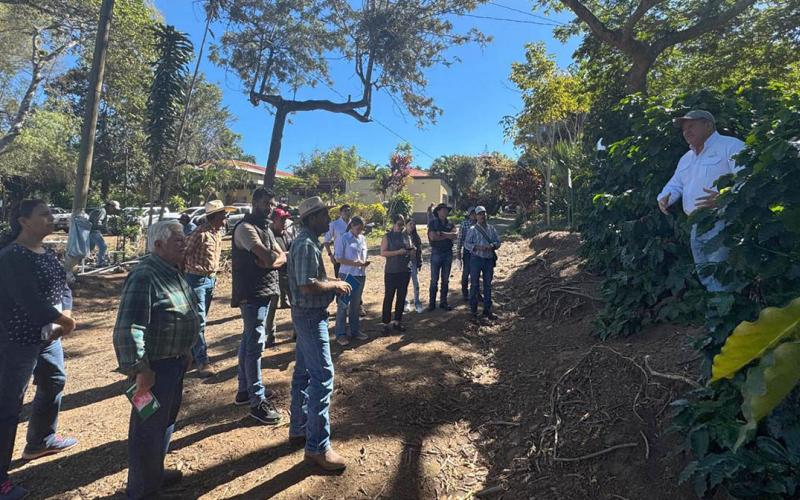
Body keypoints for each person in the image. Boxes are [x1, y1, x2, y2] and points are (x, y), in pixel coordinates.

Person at [112, 220, 200, 500]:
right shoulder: (145, 276)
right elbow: (129, 327)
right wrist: (141, 369)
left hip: (174, 363)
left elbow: (182, 313)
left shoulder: (172, 271)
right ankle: (142, 491)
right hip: (154, 369)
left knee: (165, 422)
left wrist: (186, 350)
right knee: (147, 429)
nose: (184, 244)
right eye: (178, 240)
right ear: (159, 245)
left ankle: (154, 473)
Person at [0, 200, 77, 500]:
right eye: (44, 214)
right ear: (23, 221)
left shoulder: (48, 253)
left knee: (55, 380)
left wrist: (67, 315)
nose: (51, 217)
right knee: (8, 406)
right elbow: (28, 300)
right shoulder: (11, 257)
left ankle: (40, 441)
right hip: (16, 340)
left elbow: (65, 287)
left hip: (48, 336)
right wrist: (64, 321)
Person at [288, 196, 352, 471]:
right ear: (311, 218)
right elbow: (306, 285)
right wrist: (335, 285)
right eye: (324, 215)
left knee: (303, 374)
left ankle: (300, 428)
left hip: (309, 316)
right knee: (323, 376)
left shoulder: (309, 241)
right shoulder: (304, 244)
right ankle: (317, 447)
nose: (328, 220)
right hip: (311, 318)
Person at [657, 110, 745, 292]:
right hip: (697, 224)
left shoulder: (731, 146)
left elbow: (747, 178)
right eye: (683, 129)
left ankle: (728, 313)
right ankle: (716, 309)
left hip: (723, 220)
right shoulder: (686, 158)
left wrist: (725, 198)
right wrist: (665, 197)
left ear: (708, 125)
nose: (686, 131)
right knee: (706, 272)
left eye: (691, 126)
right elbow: (676, 184)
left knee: (722, 273)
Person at [230, 188, 284, 424]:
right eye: (265, 203)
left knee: (248, 340)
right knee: (255, 347)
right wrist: (272, 260)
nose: (269, 207)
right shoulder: (245, 229)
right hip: (250, 294)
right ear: (254, 203)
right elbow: (271, 257)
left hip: (263, 292)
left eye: (272, 204)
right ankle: (257, 401)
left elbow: (280, 256)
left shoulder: (265, 228)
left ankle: (244, 390)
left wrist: (270, 262)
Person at [183, 200, 233, 378]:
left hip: (210, 280)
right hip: (195, 280)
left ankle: (191, 355)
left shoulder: (217, 233)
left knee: (200, 320)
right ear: (214, 216)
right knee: (199, 322)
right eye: (223, 215)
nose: (225, 218)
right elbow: (184, 252)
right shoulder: (199, 233)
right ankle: (202, 362)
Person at [333, 216, 369, 346]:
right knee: (343, 305)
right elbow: (338, 259)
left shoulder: (363, 238)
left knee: (355, 306)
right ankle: (340, 334)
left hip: (360, 274)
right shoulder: (344, 238)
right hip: (348, 275)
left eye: (362, 229)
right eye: (358, 228)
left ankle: (354, 330)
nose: (360, 231)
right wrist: (355, 263)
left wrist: (363, 264)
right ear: (352, 225)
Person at [464, 206, 501, 320]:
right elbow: (466, 244)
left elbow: (498, 242)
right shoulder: (472, 229)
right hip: (476, 259)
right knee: (474, 285)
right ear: (476, 216)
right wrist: (477, 247)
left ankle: (487, 310)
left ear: (486, 215)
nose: (482, 216)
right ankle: (473, 311)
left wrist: (491, 246)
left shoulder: (491, 229)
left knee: (488, 285)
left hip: (488, 259)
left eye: (484, 214)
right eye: (479, 214)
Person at [381, 214, 413, 333]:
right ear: (394, 224)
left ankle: (397, 321)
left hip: (404, 271)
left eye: (403, 224)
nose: (401, 227)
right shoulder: (387, 237)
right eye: (399, 224)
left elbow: (409, 248)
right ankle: (385, 323)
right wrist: (398, 252)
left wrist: (411, 250)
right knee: (389, 297)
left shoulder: (405, 236)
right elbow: (383, 253)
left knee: (401, 296)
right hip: (391, 271)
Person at [427, 203, 458, 311]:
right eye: (443, 210)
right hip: (436, 252)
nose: (445, 212)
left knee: (445, 279)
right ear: (438, 211)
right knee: (434, 279)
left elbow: (455, 235)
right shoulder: (433, 223)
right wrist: (447, 236)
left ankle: (443, 302)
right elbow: (433, 237)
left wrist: (441, 234)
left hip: (448, 253)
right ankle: (432, 303)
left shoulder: (450, 223)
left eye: (446, 210)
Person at [271, 207, 296, 310]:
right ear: (274, 220)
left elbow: (293, 250)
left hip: (288, 271)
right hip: (276, 273)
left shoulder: (286, 234)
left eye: (285, 219)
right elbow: (272, 255)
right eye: (282, 219)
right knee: (272, 304)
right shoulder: (270, 236)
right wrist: (287, 254)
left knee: (294, 300)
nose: (285, 222)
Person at [456, 207, 479, 302]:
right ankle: (465, 293)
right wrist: (458, 253)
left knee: (477, 273)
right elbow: (460, 239)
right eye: (472, 213)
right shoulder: (464, 224)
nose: (474, 215)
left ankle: (477, 293)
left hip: (478, 252)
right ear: (469, 215)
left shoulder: (480, 224)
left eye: (475, 213)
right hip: (467, 252)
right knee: (466, 272)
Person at [88, 200, 120, 267]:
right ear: (110, 206)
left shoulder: (102, 210)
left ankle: (77, 261)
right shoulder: (102, 211)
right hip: (94, 231)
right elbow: (97, 223)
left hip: (90, 231)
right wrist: (106, 230)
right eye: (114, 209)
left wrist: (107, 230)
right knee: (103, 247)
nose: (114, 211)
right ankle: (100, 263)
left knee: (89, 248)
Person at [323, 204, 352, 277]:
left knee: (352, 280)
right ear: (340, 213)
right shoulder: (334, 224)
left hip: (352, 256)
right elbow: (326, 241)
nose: (347, 212)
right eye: (345, 211)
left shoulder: (354, 224)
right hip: (339, 257)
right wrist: (330, 255)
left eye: (349, 210)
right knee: (340, 281)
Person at [404, 219, 424, 313]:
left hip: (414, 262)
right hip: (404, 262)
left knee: (416, 283)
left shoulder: (416, 236)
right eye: (410, 224)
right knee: (404, 284)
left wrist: (420, 261)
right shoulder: (402, 236)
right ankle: (405, 303)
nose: (412, 226)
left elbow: (420, 250)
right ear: (406, 225)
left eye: (414, 224)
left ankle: (417, 302)